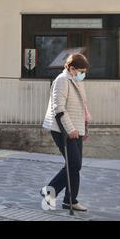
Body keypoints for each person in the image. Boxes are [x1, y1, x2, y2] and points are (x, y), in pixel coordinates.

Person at [41, 53, 91, 212]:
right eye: (81, 71)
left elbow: (80, 107)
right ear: (71, 68)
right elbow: (59, 108)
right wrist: (70, 129)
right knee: (74, 163)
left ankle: (70, 200)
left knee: (75, 165)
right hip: (62, 129)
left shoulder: (76, 81)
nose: (83, 74)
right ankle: (49, 190)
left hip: (76, 129)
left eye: (85, 71)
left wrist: (82, 129)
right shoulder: (62, 80)